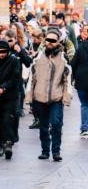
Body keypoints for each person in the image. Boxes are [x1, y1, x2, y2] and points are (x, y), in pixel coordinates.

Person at [25, 29, 72, 161]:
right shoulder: (38, 58)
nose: (50, 43)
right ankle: (45, 151)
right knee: (44, 126)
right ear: (45, 42)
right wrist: (29, 96)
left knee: (57, 124)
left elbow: (67, 79)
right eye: (48, 40)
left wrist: (66, 97)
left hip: (56, 98)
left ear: (58, 43)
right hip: (39, 97)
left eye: (53, 41)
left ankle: (56, 151)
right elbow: (31, 78)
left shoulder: (63, 58)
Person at [70, 36, 88, 138]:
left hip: (82, 81)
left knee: (84, 104)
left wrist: (75, 76)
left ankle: (85, 128)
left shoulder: (81, 47)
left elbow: (73, 64)